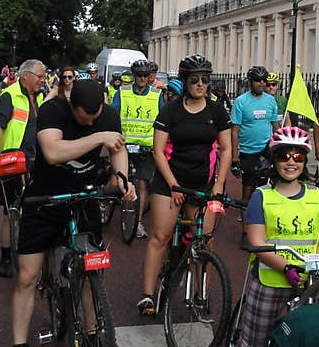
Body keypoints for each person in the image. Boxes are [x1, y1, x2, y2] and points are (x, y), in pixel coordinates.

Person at [0, 79, 136, 347]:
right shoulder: (53, 110)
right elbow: (52, 152)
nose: (89, 123)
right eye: (84, 119)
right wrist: (98, 136)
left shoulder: (108, 117)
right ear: (71, 106)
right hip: (45, 198)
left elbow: (118, 150)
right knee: (26, 277)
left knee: (91, 268)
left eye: (95, 118)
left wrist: (122, 177)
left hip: (85, 196)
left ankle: (90, 335)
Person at [216, 126, 319, 347]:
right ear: (274, 160)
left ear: (305, 160)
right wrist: (285, 268)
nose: (290, 162)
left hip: (309, 284)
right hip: (270, 282)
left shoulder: (317, 196)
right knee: (252, 344)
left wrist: (318, 264)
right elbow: (257, 242)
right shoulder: (262, 197)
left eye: (297, 156)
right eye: (283, 156)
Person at [138, 54, 232, 315]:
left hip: (203, 185)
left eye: (205, 79)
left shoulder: (217, 110)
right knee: (160, 236)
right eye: (194, 79)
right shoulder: (170, 110)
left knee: (204, 242)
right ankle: (147, 296)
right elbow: (158, 152)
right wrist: (173, 185)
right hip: (170, 183)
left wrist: (219, 185)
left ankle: (202, 296)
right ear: (185, 81)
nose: (200, 84)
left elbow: (226, 149)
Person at [0, 59, 43, 277]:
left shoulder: (38, 96)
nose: (42, 80)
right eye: (39, 76)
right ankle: (5, 256)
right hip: (12, 162)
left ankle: (32, 250)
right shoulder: (9, 96)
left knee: (34, 207)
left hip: (35, 160)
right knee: (9, 211)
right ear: (26, 76)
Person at [112, 58, 164, 238]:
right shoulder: (122, 91)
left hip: (146, 146)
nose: (142, 78)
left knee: (143, 184)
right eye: (139, 75)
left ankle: (138, 221)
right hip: (123, 145)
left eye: (145, 75)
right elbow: (114, 115)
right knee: (116, 181)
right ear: (134, 76)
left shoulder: (157, 95)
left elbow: (161, 123)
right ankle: (104, 203)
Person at [230, 65, 279, 234]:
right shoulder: (241, 101)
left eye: (264, 80)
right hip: (248, 151)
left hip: (267, 150)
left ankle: (264, 226)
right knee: (248, 190)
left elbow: (275, 125)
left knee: (267, 188)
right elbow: (234, 130)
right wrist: (234, 157)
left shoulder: (270, 101)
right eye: (258, 80)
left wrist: (280, 145)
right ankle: (245, 231)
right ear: (250, 82)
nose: (262, 83)